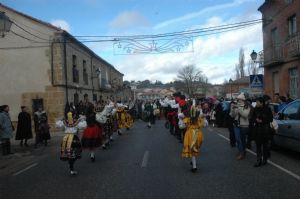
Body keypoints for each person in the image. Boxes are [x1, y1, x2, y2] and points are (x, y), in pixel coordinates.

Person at [182, 101, 205, 173]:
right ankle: (193, 163)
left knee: (192, 150)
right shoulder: (199, 119)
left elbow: (181, 126)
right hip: (198, 134)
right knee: (195, 148)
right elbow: (205, 124)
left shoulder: (187, 119)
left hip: (190, 135)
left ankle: (194, 167)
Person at [252, 97, 273, 167]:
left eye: (258, 102)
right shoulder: (255, 109)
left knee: (265, 146)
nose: (256, 103)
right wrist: (256, 120)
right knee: (258, 146)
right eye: (256, 102)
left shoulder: (267, 109)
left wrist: (263, 121)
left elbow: (271, 119)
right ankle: (258, 160)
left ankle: (265, 159)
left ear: (262, 103)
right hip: (257, 129)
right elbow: (252, 117)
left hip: (265, 130)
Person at [230, 93, 250, 160]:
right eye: (237, 100)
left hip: (244, 125)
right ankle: (241, 151)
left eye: (239, 100)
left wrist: (239, 108)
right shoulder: (236, 106)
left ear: (243, 100)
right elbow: (232, 115)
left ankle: (243, 152)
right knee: (238, 139)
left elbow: (245, 115)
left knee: (243, 140)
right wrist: (232, 109)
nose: (238, 101)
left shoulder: (247, 106)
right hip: (236, 124)